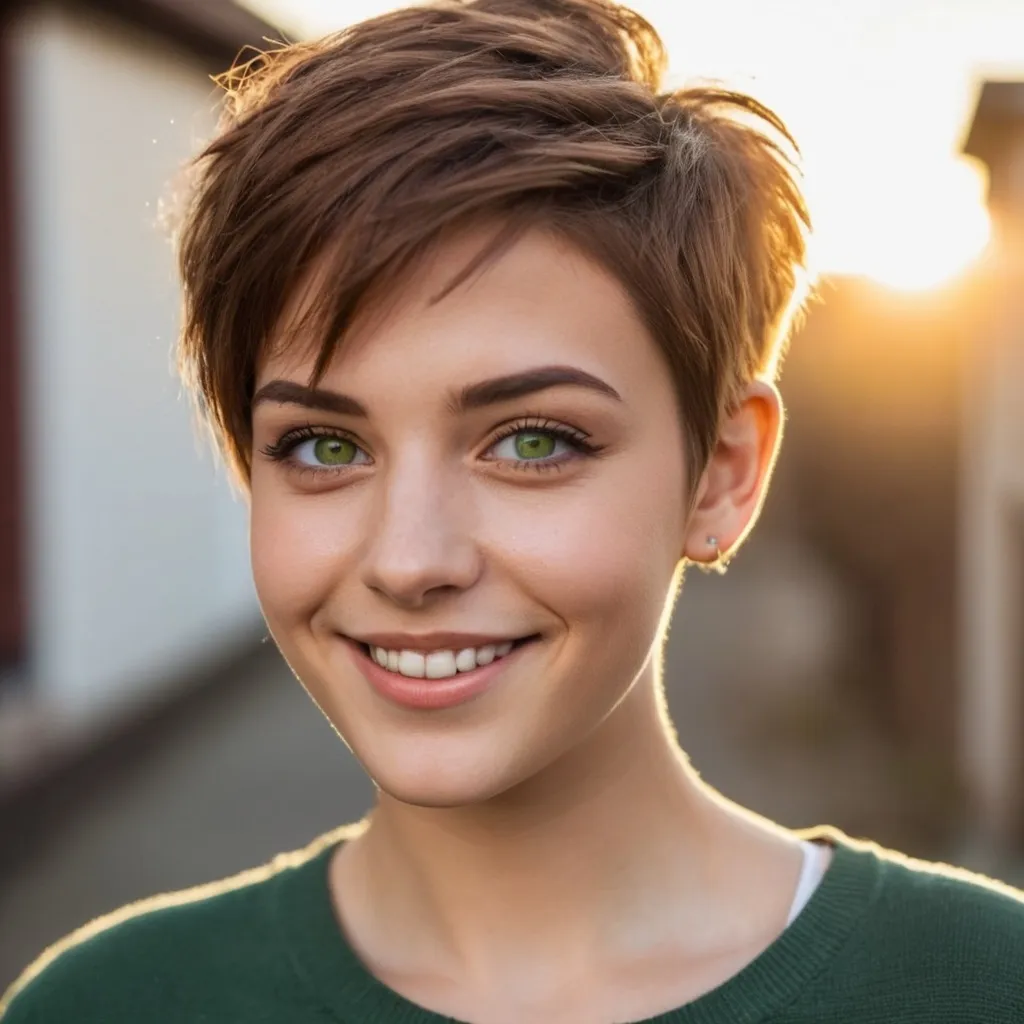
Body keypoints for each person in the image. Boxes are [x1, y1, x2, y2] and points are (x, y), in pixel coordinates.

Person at [3, 0, 1024, 1020]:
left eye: (532, 441)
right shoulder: (109, 1005)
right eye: (324, 446)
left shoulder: (978, 985)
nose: (409, 560)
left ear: (719, 474)